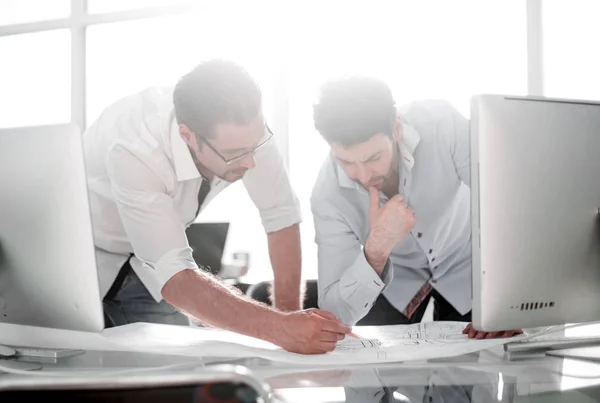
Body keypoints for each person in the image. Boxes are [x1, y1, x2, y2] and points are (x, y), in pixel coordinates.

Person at [82, 59, 350, 354]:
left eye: (254, 147)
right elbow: (176, 277)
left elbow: (281, 216)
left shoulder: (247, 134)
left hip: (146, 271)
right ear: (187, 136)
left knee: (180, 374)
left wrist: (289, 319)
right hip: (83, 258)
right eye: (234, 154)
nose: (250, 162)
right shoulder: (136, 148)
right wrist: (280, 329)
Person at [310, 76, 521, 339]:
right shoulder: (326, 197)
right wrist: (377, 248)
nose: (363, 177)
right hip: (391, 284)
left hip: (466, 265)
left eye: (374, 157)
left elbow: (506, 204)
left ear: (396, 129)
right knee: (374, 372)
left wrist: (510, 301)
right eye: (346, 162)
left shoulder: (442, 124)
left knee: (478, 365)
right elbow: (334, 315)